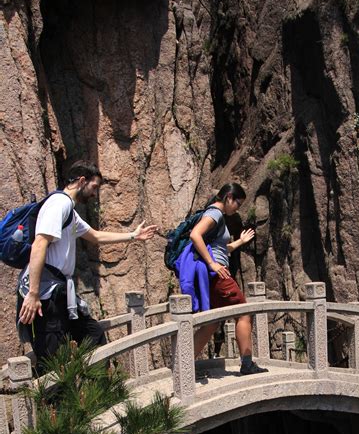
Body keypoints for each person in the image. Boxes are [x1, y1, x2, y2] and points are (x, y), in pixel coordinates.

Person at [17, 160, 157, 370]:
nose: (94, 194)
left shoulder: (70, 212)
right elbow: (39, 244)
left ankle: (94, 397)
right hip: (46, 296)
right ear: (82, 181)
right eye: (94, 187)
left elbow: (96, 236)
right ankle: (57, 401)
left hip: (60, 293)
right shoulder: (59, 204)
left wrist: (133, 236)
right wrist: (33, 293)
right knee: (51, 358)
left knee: (93, 334)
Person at [189, 182, 268, 375]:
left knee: (212, 322)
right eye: (238, 204)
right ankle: (247, 364)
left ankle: (182, 363)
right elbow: (195, 235)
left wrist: (239, 242)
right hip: (218, 274)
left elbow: (220, 250)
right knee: (243, 312)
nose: (237, 208)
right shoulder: (215, 213)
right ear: (229, 198)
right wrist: (212, 264)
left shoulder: (215, 215)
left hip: (212, 275)